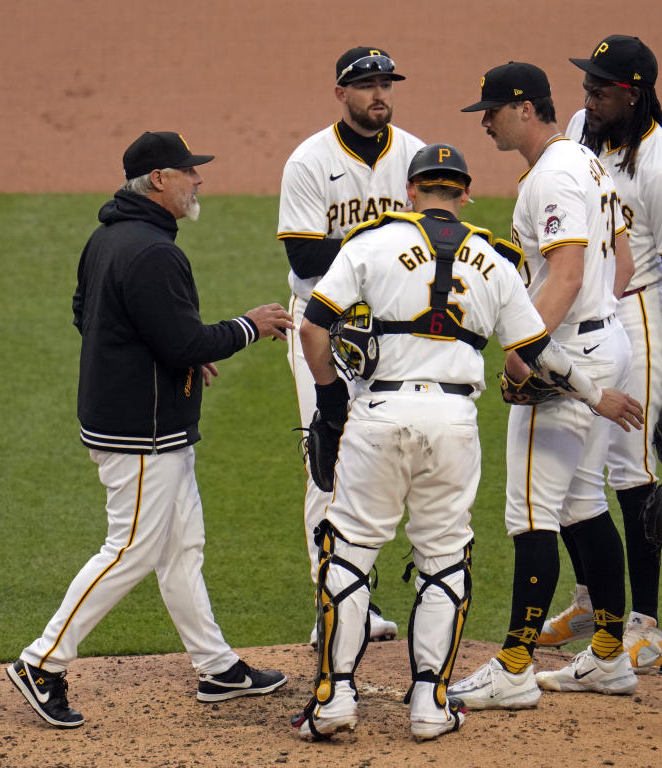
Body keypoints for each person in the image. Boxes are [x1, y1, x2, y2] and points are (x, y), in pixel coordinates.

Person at [290, 144, 642, 741]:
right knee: (443, 558)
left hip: (379, 413)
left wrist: (329, 400)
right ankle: (430, 706)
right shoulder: (495, 260)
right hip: (453, 422)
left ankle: (333, 699)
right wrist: (593, 394)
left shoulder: (370, 243)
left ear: (411, 192)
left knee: (349, 552)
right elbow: (534, 352)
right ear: (465, 193)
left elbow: (312, 326)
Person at [6, 131, 291, 729]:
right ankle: (42, 661)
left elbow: (89, 314)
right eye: (189, 171)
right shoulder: (155, 252)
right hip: (143, 431)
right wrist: (246, 326)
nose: (199, 181)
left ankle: (216, 667)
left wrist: (168, 354)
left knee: (182, 549)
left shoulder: (108, 237)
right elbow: (182, 338)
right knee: (132, 549)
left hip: (137, 420)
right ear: (158, 179)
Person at [448, 62, 643, 710]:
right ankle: (612, 656)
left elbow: (563, 276)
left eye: (492, 112)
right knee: (581, 503)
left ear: (525, 108)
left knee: (530, 511)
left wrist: (522, 359)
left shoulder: (554, 174)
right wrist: (598, 323)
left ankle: (512, 669)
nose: (487, 123)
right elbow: (620, 261)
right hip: (599, 338)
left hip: (564, 350)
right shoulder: (584, 163)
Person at [539, 35, 662, 672]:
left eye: (601, 89)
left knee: (631, 472)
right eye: (586, 86)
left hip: (640, 316)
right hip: (589, 312)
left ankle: (646, 627)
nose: (587, 98)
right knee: (572, 461)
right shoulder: (583, 129)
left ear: (632, 94)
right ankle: (587, 601)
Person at [278, 46, 424, 645]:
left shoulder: (415, 154)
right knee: (327, 465)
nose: (379, 94)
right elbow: (304, 255)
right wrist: (383, 250)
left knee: (387, 463)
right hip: (324, 328)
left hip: (393, 330)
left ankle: (360, 598)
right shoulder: (310, 161)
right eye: (366, 85)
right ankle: (330, 606)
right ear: (342, 93)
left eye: (386, 82)